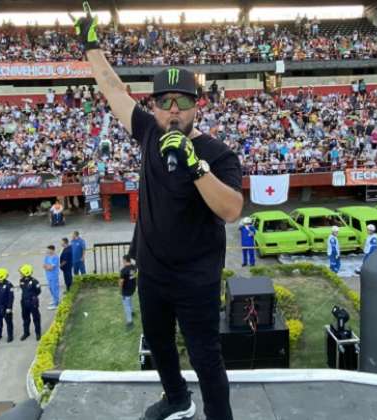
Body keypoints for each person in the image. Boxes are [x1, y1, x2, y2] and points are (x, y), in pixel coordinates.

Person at [74, 10, 243, 420]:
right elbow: (113, 90)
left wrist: (194, 165)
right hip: (153, 269)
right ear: (154, 106)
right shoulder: (148, 131)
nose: (172, 111)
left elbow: (232, 210)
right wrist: (92, 48)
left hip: (196, 275)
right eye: (163, 102)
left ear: (196, 106)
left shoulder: (218, 154)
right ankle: (176, 399)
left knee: (205, 354)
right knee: (158, 341)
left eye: (181, 102)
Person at [18, 264, 42, 341]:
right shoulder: (21, 281)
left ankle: (38, 333)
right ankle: (26, 332)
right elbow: (22, 289)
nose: (20, 274)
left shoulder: (35, 282)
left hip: (32, 303)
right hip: (24, 302)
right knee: (25, 318)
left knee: (36, 318)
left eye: (21, 273)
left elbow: (38, 291)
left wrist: (32, 297)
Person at [0, 268, 15, 343]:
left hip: (5, 307)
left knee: (8, 322)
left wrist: (9, 307)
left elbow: (11, 297)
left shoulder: (9, 285)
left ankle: (10, 336)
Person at [119, 254, 137, 330]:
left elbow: (121, 282)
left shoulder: (123, 270)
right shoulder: (134, 267)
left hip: (126, 290)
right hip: (132, 288)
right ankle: (132, 312)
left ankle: (130, 322)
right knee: (129, 300)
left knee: (126, 305)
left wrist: (120, 289)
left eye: (123, 260)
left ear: (125, 260)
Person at [43, 245, 61, 310]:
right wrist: (48, 267)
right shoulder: (47, 257)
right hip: (48, 275)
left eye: (48, 250)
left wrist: (48, 267)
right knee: (50, 288)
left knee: (54, 289)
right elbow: (44, 266)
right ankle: (54, 300)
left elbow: (52, 267)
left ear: (52, 250)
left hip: (54, 276)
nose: (47, 251)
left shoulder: (55, 257)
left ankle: (56, 303)